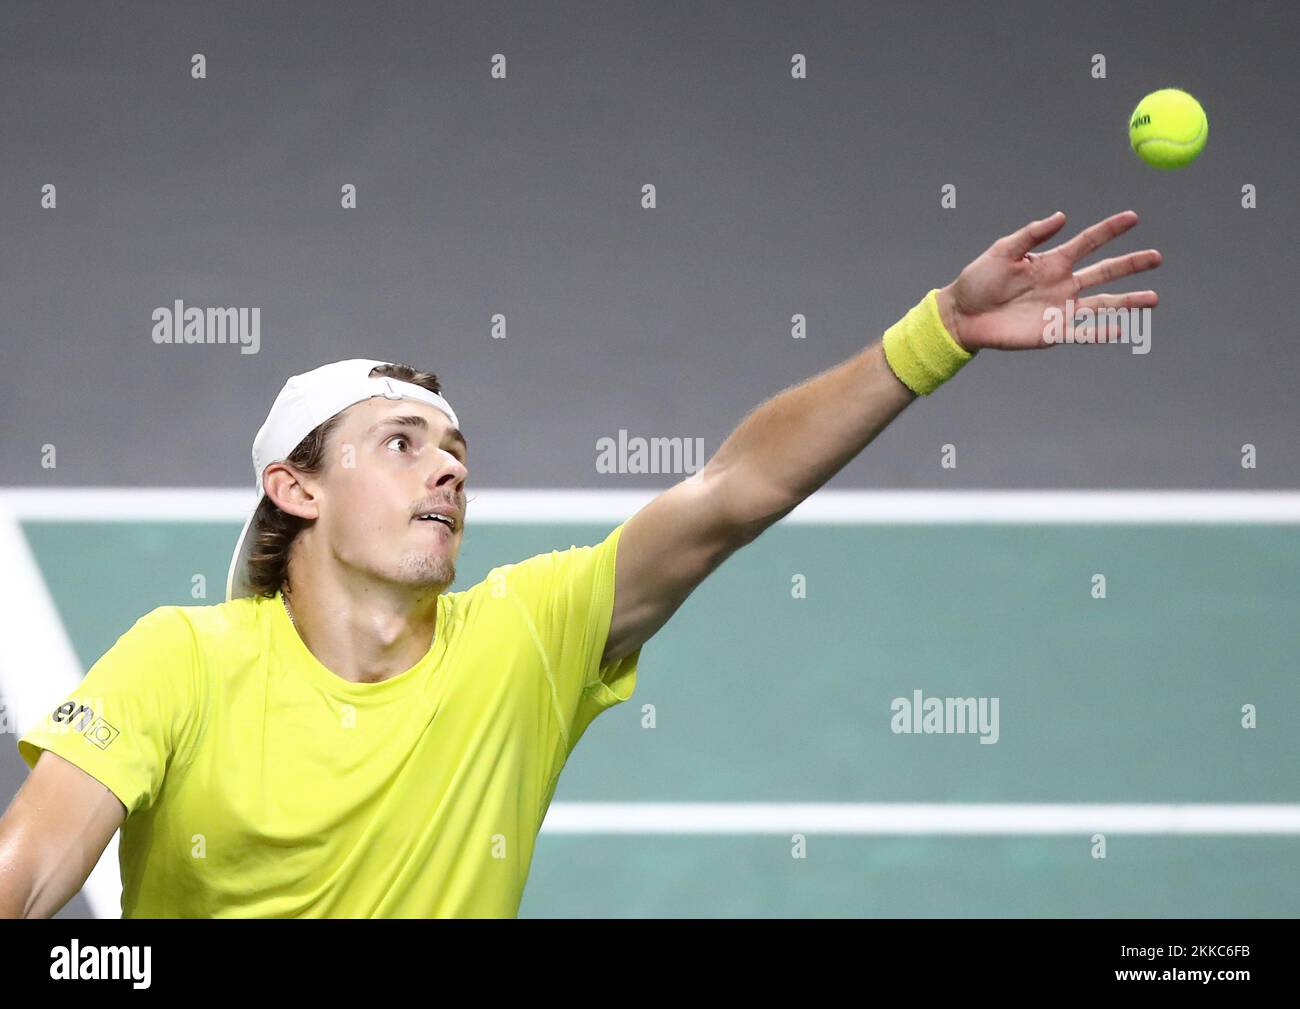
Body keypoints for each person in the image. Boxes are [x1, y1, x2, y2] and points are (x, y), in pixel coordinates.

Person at [0, 210, 1160, 918]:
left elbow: (729, 494)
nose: (447, 473)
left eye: (454, 451)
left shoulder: (525, 636)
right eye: (400, 445)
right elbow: (31, 875)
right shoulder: (181, 661)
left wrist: (938, 333)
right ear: (295, 490)